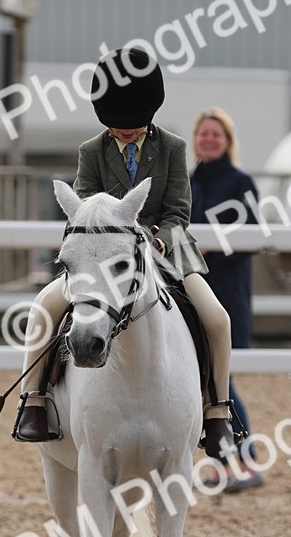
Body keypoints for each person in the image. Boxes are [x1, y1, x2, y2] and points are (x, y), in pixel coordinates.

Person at [13, 47, 238, 457]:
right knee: (44, 308)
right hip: (102, 257)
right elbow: (82, 208)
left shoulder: (171, 147)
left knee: (217, 318)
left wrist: (154, 240)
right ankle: (35, 399)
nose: (127, 133)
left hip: (167, 253)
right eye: (118, 127)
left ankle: (218, 409)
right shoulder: (91, 151)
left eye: (134, 127)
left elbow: (177, 211)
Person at [190, 108, 263, 492]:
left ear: (227, 140)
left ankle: (246, 459)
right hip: (191, 292)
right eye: (203, 133)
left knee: (221, 378)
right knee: (207, 379)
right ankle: (224, 462)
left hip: (227, 294)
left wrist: (204, 247)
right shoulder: (187, 183)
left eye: (216, 134)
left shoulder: (240, 182)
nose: (209, 139)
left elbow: (251, 236)